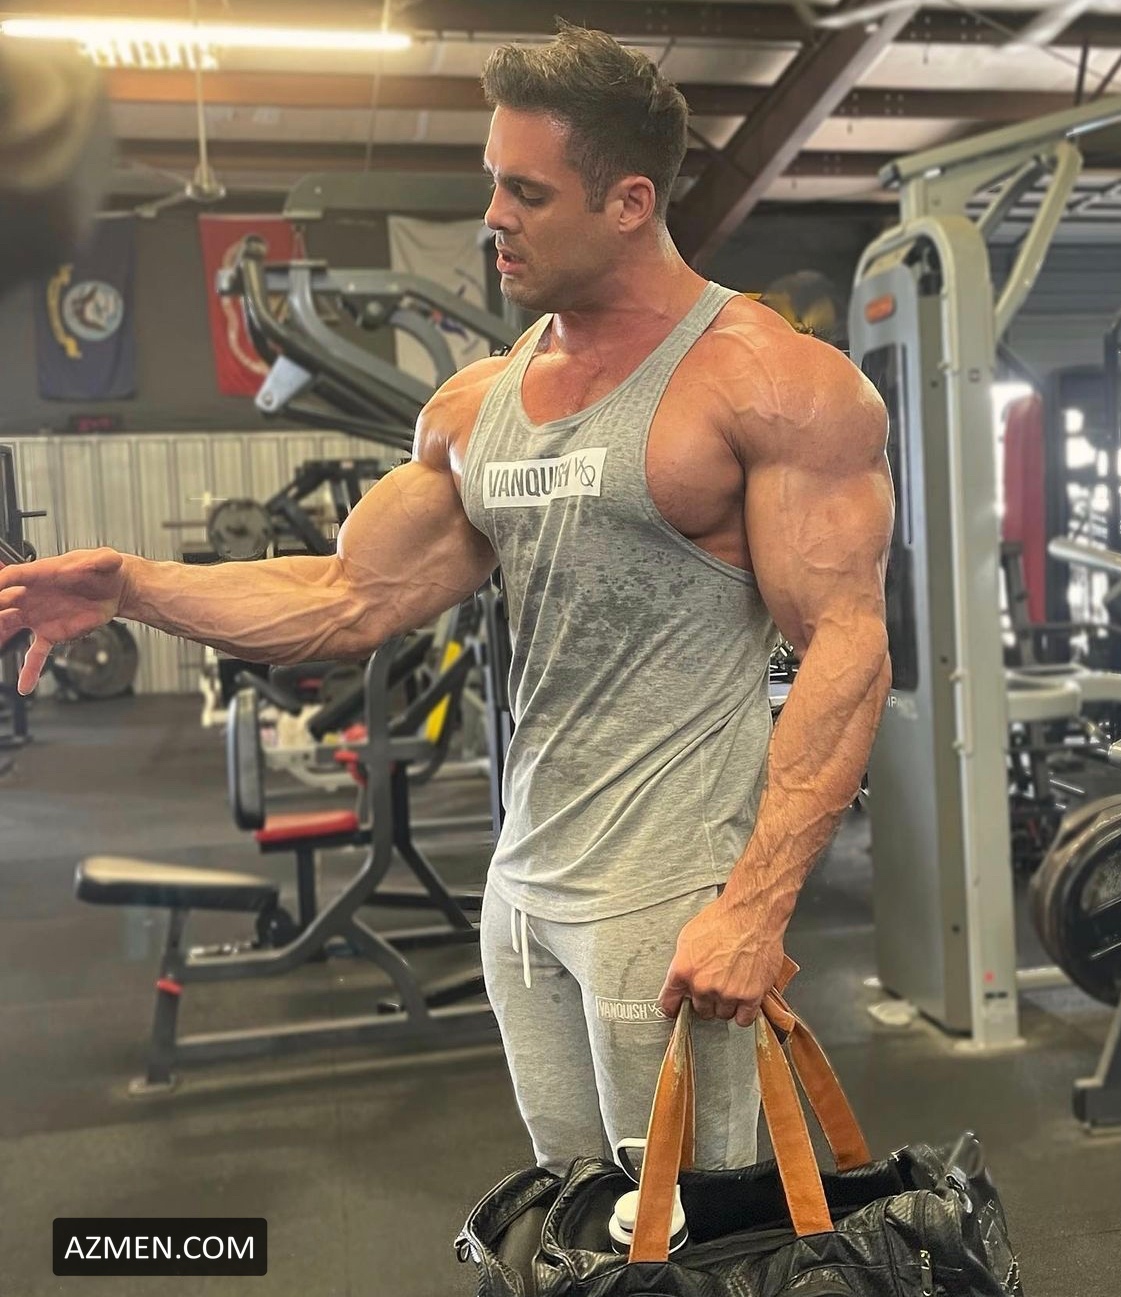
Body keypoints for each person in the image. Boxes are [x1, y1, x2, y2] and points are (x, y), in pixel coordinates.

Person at [0, 26, 892, 1177]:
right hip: (520, 892)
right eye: (492, 183)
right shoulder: (478, 406)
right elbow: (345, 595)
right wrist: (133, 586)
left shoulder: (771, 382)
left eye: (528, 192)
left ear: (630, 202)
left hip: (667, 899)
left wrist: (756, 909)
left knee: (689, 1240)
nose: (493, 217)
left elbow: (846, 646)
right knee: (569, 1221)